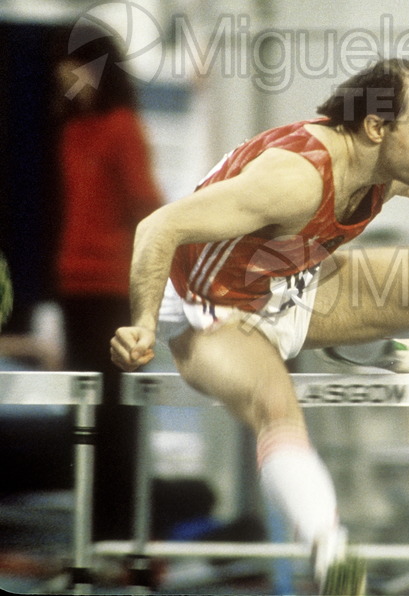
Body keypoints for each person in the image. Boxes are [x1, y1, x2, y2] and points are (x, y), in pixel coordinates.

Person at [110, 58, 409, 586]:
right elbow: (158, 226)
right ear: (376, 127)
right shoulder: (293, 179)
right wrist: (143, 323)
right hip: (208, 310)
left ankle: (363, 348)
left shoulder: (386, 166)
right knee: (275, 406)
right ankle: (331, 552)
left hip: (292, 286)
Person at [52, 32, 165, 540]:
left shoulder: (122, 128)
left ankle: (120, 534)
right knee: (87, 416)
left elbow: (147, 204)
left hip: (114, 289)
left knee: (118, 413)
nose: (64, 76)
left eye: (74, 65)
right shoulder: (72, 131)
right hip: (75, 287)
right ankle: (93, 535)